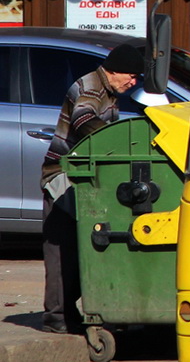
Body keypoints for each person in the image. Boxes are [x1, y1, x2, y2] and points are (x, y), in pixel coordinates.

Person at [40, 42, 142, 334]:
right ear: (116, 70)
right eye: (131, 76)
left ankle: (69, 313)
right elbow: (83, 119)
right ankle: (56, 317)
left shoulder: (108, 90)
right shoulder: (91, 87)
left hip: (83, 179)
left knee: (81, 247)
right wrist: (116, 143)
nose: (133, 83)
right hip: (62, 177)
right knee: (63, 249)